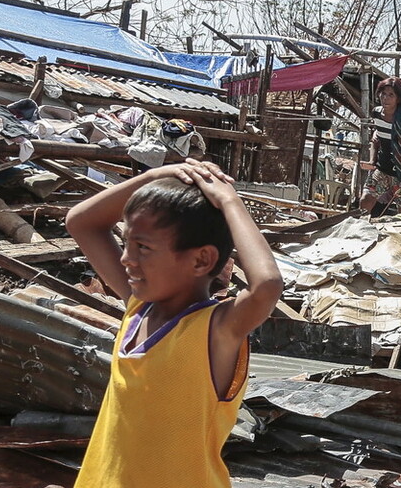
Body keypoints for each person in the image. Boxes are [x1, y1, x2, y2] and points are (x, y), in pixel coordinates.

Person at [65, 158, 283, 487]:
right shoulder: (139, 307)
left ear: (202, 259)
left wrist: (229, 200)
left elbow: (266, 286)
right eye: (126, 243)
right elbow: (80, 223)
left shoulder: (213, 330)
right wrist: (156, 175)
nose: (126, 258)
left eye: (142, 247)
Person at [359, 77, 401, 214]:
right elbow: (376, 139)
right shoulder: (377, 113)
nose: (385, 98)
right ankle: (362, 223)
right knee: (365, 200)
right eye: (383, 94)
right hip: (383, 168)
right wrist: (372, 161)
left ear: (398, 99)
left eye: (391, 95)